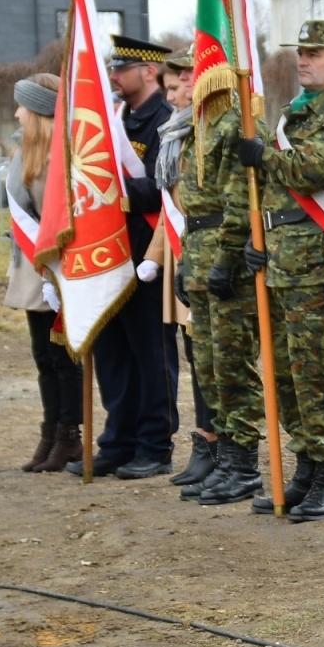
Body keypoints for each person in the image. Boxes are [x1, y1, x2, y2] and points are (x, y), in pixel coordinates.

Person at [236, 20, 324, 522]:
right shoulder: (295, 112)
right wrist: (262, 242)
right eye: (303, 52)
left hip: (318, 262)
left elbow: (316, 172)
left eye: (317, 53)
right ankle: (305, 469)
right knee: (286, 373)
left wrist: (264, 157)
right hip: (281, 257)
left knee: (319, 372)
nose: (304, 60)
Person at [176, 67, 294, 507]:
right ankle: (226, 459)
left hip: (225, 257)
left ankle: (243, 465)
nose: (186, 83)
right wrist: (187, 260)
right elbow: (193, 202)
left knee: (231, 362)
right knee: (207, 363)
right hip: (200, 251)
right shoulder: (200, 125)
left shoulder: (238, 124)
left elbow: (241, 198)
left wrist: (226, 258)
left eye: (191, 74)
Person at [70, 36, 176, 479]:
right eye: (111, 67)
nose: (113, 76)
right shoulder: (113, 119)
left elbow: (163, 186)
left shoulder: (164, 122)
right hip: (107, 254)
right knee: (113, 354)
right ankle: (118, 440)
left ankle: (154, 444)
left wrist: (108, 192)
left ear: (149, 71)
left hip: (147, 254)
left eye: (122, 68)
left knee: (151, 355)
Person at [143, 48, 217, 487]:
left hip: (208, 256)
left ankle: (218, 444)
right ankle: (206, 442)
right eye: (168, 88)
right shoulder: (176, 133)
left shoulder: (205, 134)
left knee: (212, 357)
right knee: (195, 355)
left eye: (176, 87)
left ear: (198, 80)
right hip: (181, 253)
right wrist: (153, 260)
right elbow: (171, 207)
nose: (170, 98)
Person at [4, 73, 83, 473]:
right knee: (42, 356)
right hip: (32, 267)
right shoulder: (24, 152)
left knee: (61, 357)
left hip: (55, 269)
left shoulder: (60, 157)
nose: (15, 113)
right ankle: (50, 432)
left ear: (37, 112)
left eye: (21, 106)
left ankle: (70, 437)